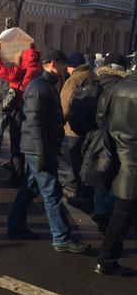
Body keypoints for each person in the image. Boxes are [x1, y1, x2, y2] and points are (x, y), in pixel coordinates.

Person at [7, 49, 89, 254]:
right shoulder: (39, 87)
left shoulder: (46, 85)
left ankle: (15, 225)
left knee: (30, 187)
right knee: (52, 193)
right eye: (62, 64)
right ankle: (62, 238)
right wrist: (43, 152)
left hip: (42, 147)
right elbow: (34, 122)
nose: (65, 68)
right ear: (53, 64)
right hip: (38, 149)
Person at [95, 71, 137, 276]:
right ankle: (107, 259)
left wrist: (115, 142)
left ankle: (107, 259)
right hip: (133, 158)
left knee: (123, 209)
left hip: (121, 154)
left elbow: (101, 118)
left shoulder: (117, 87)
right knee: (123, 211)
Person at [0, 44, 41, 183]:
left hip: (17, 109)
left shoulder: (20, 71)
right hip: (32, 110)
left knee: (16, 143)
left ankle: (16, 176)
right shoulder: (38, 70)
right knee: (29, 142)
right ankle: (25, 172)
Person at [90, 52, 129, 232]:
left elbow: (98, 115)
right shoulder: (121, 86)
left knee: (101, 176)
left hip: (98, 136)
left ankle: (100, 214)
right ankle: (105, 211)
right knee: (122, 178)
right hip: (119, 137)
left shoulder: (97, 81)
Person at [60, 52, 97, 211]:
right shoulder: (94, 76)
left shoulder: (74, 79)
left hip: (74, 128)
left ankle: (79, 192)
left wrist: (59, 122)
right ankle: (80, 188)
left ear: (72, 66)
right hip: (91, 126)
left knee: (75, 160)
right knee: (86, 160)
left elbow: (64, 104)